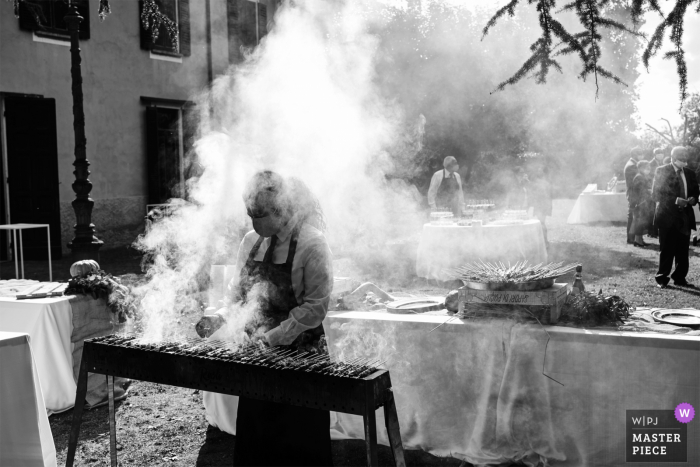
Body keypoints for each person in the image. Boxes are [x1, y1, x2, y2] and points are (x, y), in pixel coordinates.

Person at [195, 171, 334, 466]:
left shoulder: (312, 244)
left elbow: (315, 307)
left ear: (280, 209)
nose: (252, 222)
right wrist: (221, 316)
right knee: (256, 440)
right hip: (258, 358)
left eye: (257, 215)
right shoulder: (251, 241)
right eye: (248, 214)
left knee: (299, 445)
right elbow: (238, 294)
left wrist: (271, 337)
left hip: (302, 357)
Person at [651, 147, 699, 288]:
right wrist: (675, 200)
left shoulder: (689, 173)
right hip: (667, 215)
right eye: (681, 159)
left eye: (685, 159)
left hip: (684, 216)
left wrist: (693, 199)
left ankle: (680, 277)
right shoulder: (662, 171)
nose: (684, 162)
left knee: (683, 250)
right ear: (673, 158)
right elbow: (656, 194)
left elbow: (696, 191)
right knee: (667, 249)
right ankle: (662, 278)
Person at [629, 160, 653, 247]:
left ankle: (640, 240)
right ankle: (638, 241)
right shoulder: (639, 177)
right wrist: (649, 191)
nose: (648, 169)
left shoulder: (643, 176)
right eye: (646, 168)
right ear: (640, 168)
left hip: (643, 202)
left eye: (649, 167)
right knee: (639, 222)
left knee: (642, 222)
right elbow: (641, 190)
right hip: (640, 203)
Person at [624, 147, 642, 244]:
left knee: (634, 216)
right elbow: (635, 183)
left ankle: (634, 238)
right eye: (639, 154)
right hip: (634, 194)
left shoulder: (632, 164)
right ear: (634, 154)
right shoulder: (632, 166)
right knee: (633, 216)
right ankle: (631, 238)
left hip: (634, 194)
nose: (641, 155)